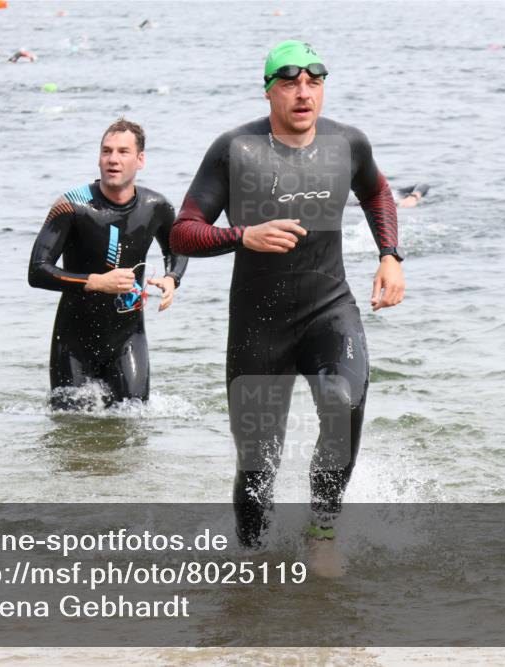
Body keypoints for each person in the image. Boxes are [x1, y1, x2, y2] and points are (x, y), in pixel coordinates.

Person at [170, 40, 405, 567]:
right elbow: (183, 233)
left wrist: (391, 255)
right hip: (259, 326)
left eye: (313, 83)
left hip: (329, 309)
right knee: (258, 463)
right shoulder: (234, 149)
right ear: (269, 89)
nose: (303, 93)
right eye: (290, 83)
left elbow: (378, 193)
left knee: (344, 404)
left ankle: (322, 531)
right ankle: (251, 561)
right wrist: (242, 236)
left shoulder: (349, 143)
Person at [29, 119, 187, 409]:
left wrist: (171, 278)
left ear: (140, 160)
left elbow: (178, 246)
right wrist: (96, 282)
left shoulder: (156, 207)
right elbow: (37, 270)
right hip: (73, 344)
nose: (113, 159)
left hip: (128, 339)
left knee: (135, 426)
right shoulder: (72, 205)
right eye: (106, 151)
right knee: (70, 433)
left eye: (123, 152)